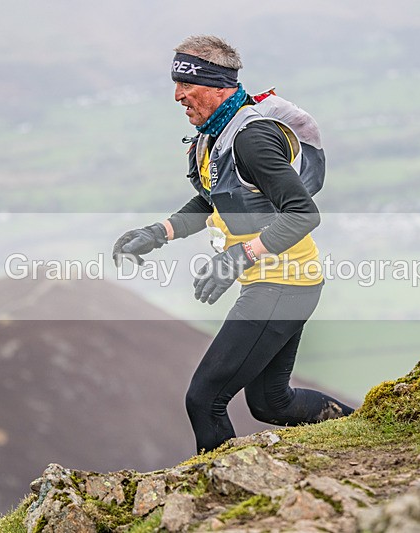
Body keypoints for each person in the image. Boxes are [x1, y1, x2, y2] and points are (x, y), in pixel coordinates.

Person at [113, 35, 354, 453]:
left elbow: (303, 214)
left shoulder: (250, 138)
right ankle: (364, 428)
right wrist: (158, 233)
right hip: (279, 282)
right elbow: (213, 198)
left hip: (284, 284)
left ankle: (221, 501)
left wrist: (237, 257)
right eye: (175, 84)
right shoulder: (214, 134)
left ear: (217, 86)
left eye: (186, 85)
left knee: (204, 399)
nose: (177, 96)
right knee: (271, 402)